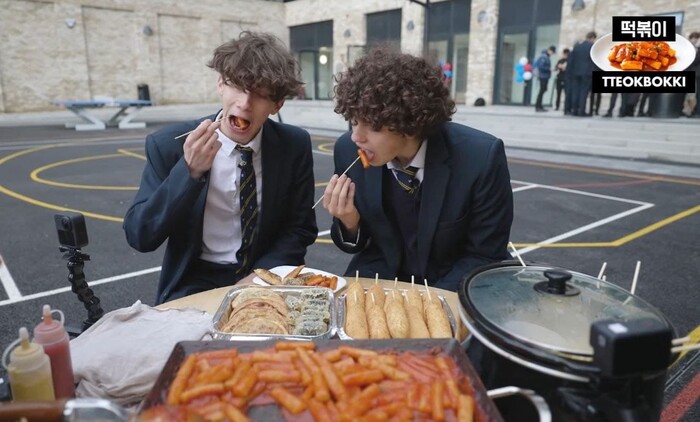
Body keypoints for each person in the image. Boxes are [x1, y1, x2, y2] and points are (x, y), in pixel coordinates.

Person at [123, 32, 318, 304]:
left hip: (265, 276)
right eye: (238, 86)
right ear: (220, 84)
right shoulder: (170, 144)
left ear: (277, 105)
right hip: (194, 280)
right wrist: (189, 172)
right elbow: (140, 236)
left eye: (260, 95)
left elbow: (300, 229)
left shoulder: (293, 145)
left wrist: (261, 276)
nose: (245, 103)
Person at [321, 47, 514, 292]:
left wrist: (428, 301)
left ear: (409, 122)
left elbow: (485, 254)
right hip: (379, 275)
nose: (356, 136)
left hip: (452, 281)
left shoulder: (480, 158)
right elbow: (357, 244)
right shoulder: (348, 151)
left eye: (373, 126)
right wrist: (349, 222)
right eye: (354, 121)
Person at [568, 31, 597, 116]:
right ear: (592, 38)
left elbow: (571, 60)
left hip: (575, 72)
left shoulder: (577, 46)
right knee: (584, 92)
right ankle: (581, 110)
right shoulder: (592, 47)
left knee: (576, 91)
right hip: (587, 73)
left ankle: (575, 110)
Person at [534, 46, 556, 112]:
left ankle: (539, 105)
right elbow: (541, 67)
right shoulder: (544, 57)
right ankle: (538, 106)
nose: (552, 54)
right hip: (543, 76)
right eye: (552, 52)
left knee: (543, 90)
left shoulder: (545, 56)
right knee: (542, 91)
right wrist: (549, 69)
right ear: (549, 50)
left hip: (544, 76)